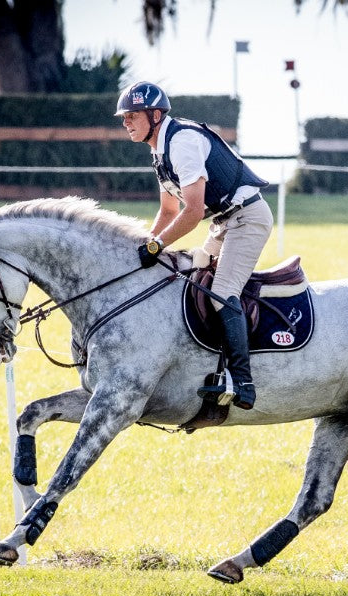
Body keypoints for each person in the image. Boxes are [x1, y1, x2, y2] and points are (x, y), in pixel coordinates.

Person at [115, 80, 272, 410]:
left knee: (223, 290)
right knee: (195, 284)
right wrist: (144, 243)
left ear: (155, 115)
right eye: (124, 117)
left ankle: (242, 382)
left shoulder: (182, 141)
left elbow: (193, 210)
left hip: (247, 217)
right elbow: (169, 209)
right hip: (223, 222)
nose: (126, 122)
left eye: (132, 116)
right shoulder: (158, 150)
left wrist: (156, 246)